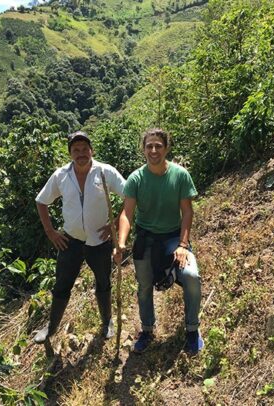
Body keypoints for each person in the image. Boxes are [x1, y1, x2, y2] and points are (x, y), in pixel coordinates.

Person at [114, 128, 203, 355]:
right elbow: (126, 214)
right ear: (143, 149)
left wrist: (183, 245)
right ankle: (147, 329)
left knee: (192, 276)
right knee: (144, 287)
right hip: (146, 239)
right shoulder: (136, 178)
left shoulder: (180, 175)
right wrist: (121, 242)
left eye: (158, 146)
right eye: (149, 146)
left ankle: (192, 329)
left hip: (173, 237)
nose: (153, 150)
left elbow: (187, 212)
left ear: (166, 148)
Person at [33, 131, 126, 345]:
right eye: (76, 150)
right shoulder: (61, 175)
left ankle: (107, 322)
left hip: (99, 241)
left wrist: (113, 224)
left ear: (92, 150)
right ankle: (51, 327)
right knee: (62, 285)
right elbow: (41, 201)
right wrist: (51, 232)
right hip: (70, 241)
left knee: (103, 281)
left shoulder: (105, 172)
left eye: (85, 149)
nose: (81, 153)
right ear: (70, 153)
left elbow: (129, 195)